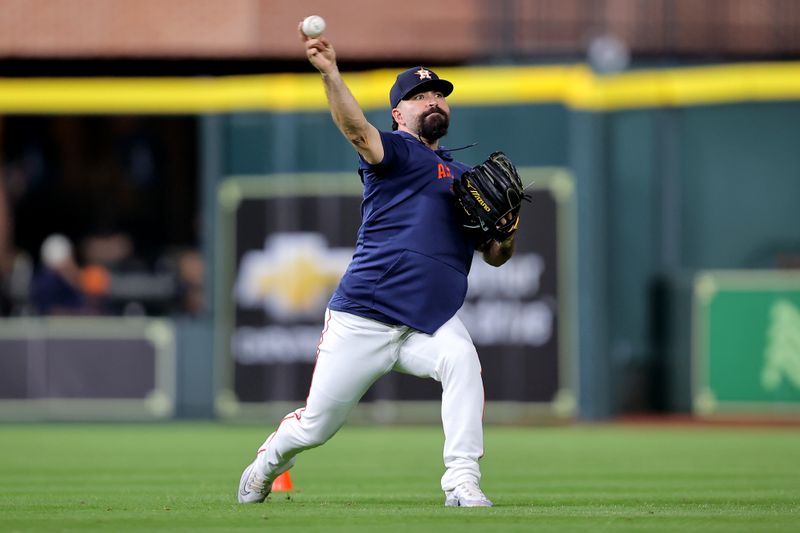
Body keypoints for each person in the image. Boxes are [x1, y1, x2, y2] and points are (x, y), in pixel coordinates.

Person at [237, 22, 518, 508]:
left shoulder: (468, 178)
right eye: (421, 95)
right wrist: (330, 73)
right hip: (364, 317)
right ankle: (265, 465)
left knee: (461, 360)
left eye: (440, 95)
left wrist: (508, 232)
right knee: (317, 426)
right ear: (398, 113)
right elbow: (354, 128)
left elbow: (495, 258)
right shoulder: (397, 153)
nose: (434, 101)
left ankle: (462, 481)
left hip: (426, 322)